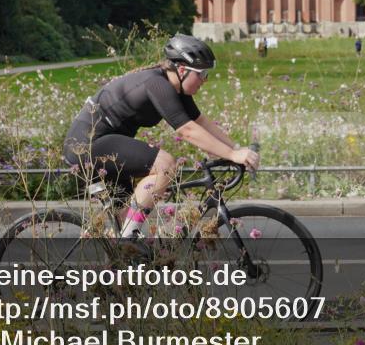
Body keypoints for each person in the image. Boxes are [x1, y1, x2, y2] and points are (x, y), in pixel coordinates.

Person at [63, 34, 260, 238]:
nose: (205, 80)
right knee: (165, 165)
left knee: (121, 219)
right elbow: (187, 131)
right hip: (86, 146)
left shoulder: (176, 87)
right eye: (202, 74)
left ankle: (118, 255)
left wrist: (236, 150)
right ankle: (128, 238)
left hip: (106, 147)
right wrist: (232, 154)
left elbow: (201, 122)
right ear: (182, 70)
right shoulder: (157, 84)